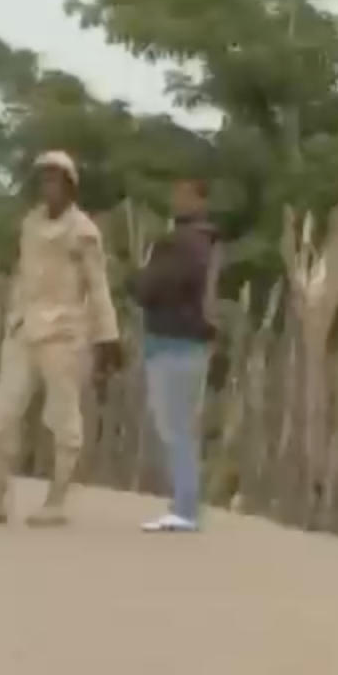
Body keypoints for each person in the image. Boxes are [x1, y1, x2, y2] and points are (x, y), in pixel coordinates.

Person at [0, 151, 123, 528]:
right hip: (24, 328)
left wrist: (108, 337)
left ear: (69, 185)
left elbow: (98, 287)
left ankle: (57, 498)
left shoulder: (83, 231)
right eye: (43, 179)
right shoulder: (31, 223)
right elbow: (22, 278)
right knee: (2, 415)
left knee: (62, 417)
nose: (48, 186)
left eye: (55, 179)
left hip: (64, 333)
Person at [127, 177, 220, 533]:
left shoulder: (183, 243)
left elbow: (155, 287)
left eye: (185, 194)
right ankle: (185, 502)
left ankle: (185, 508)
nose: (177, 200)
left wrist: (132, 280)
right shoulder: (207, 243)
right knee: (180, 425)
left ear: (200, 199)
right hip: (189, 341)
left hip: (174, 341)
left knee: (175, 427)